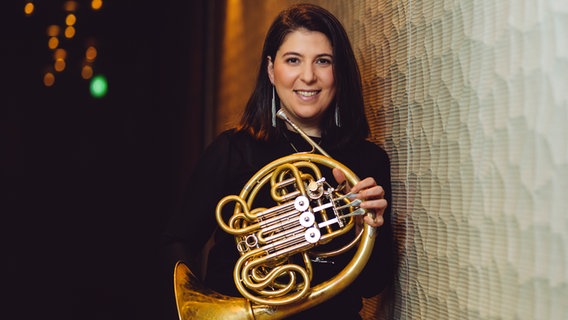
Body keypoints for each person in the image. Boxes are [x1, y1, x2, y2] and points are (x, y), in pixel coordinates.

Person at [162, 3, 394, 319]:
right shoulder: (233, 151)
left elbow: (373, 284)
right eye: (293, 60)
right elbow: (179, 242)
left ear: (339, 71)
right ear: (272, 70)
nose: (308, 76)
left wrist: (359, 228)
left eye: (323, 61)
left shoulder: (367, 163)